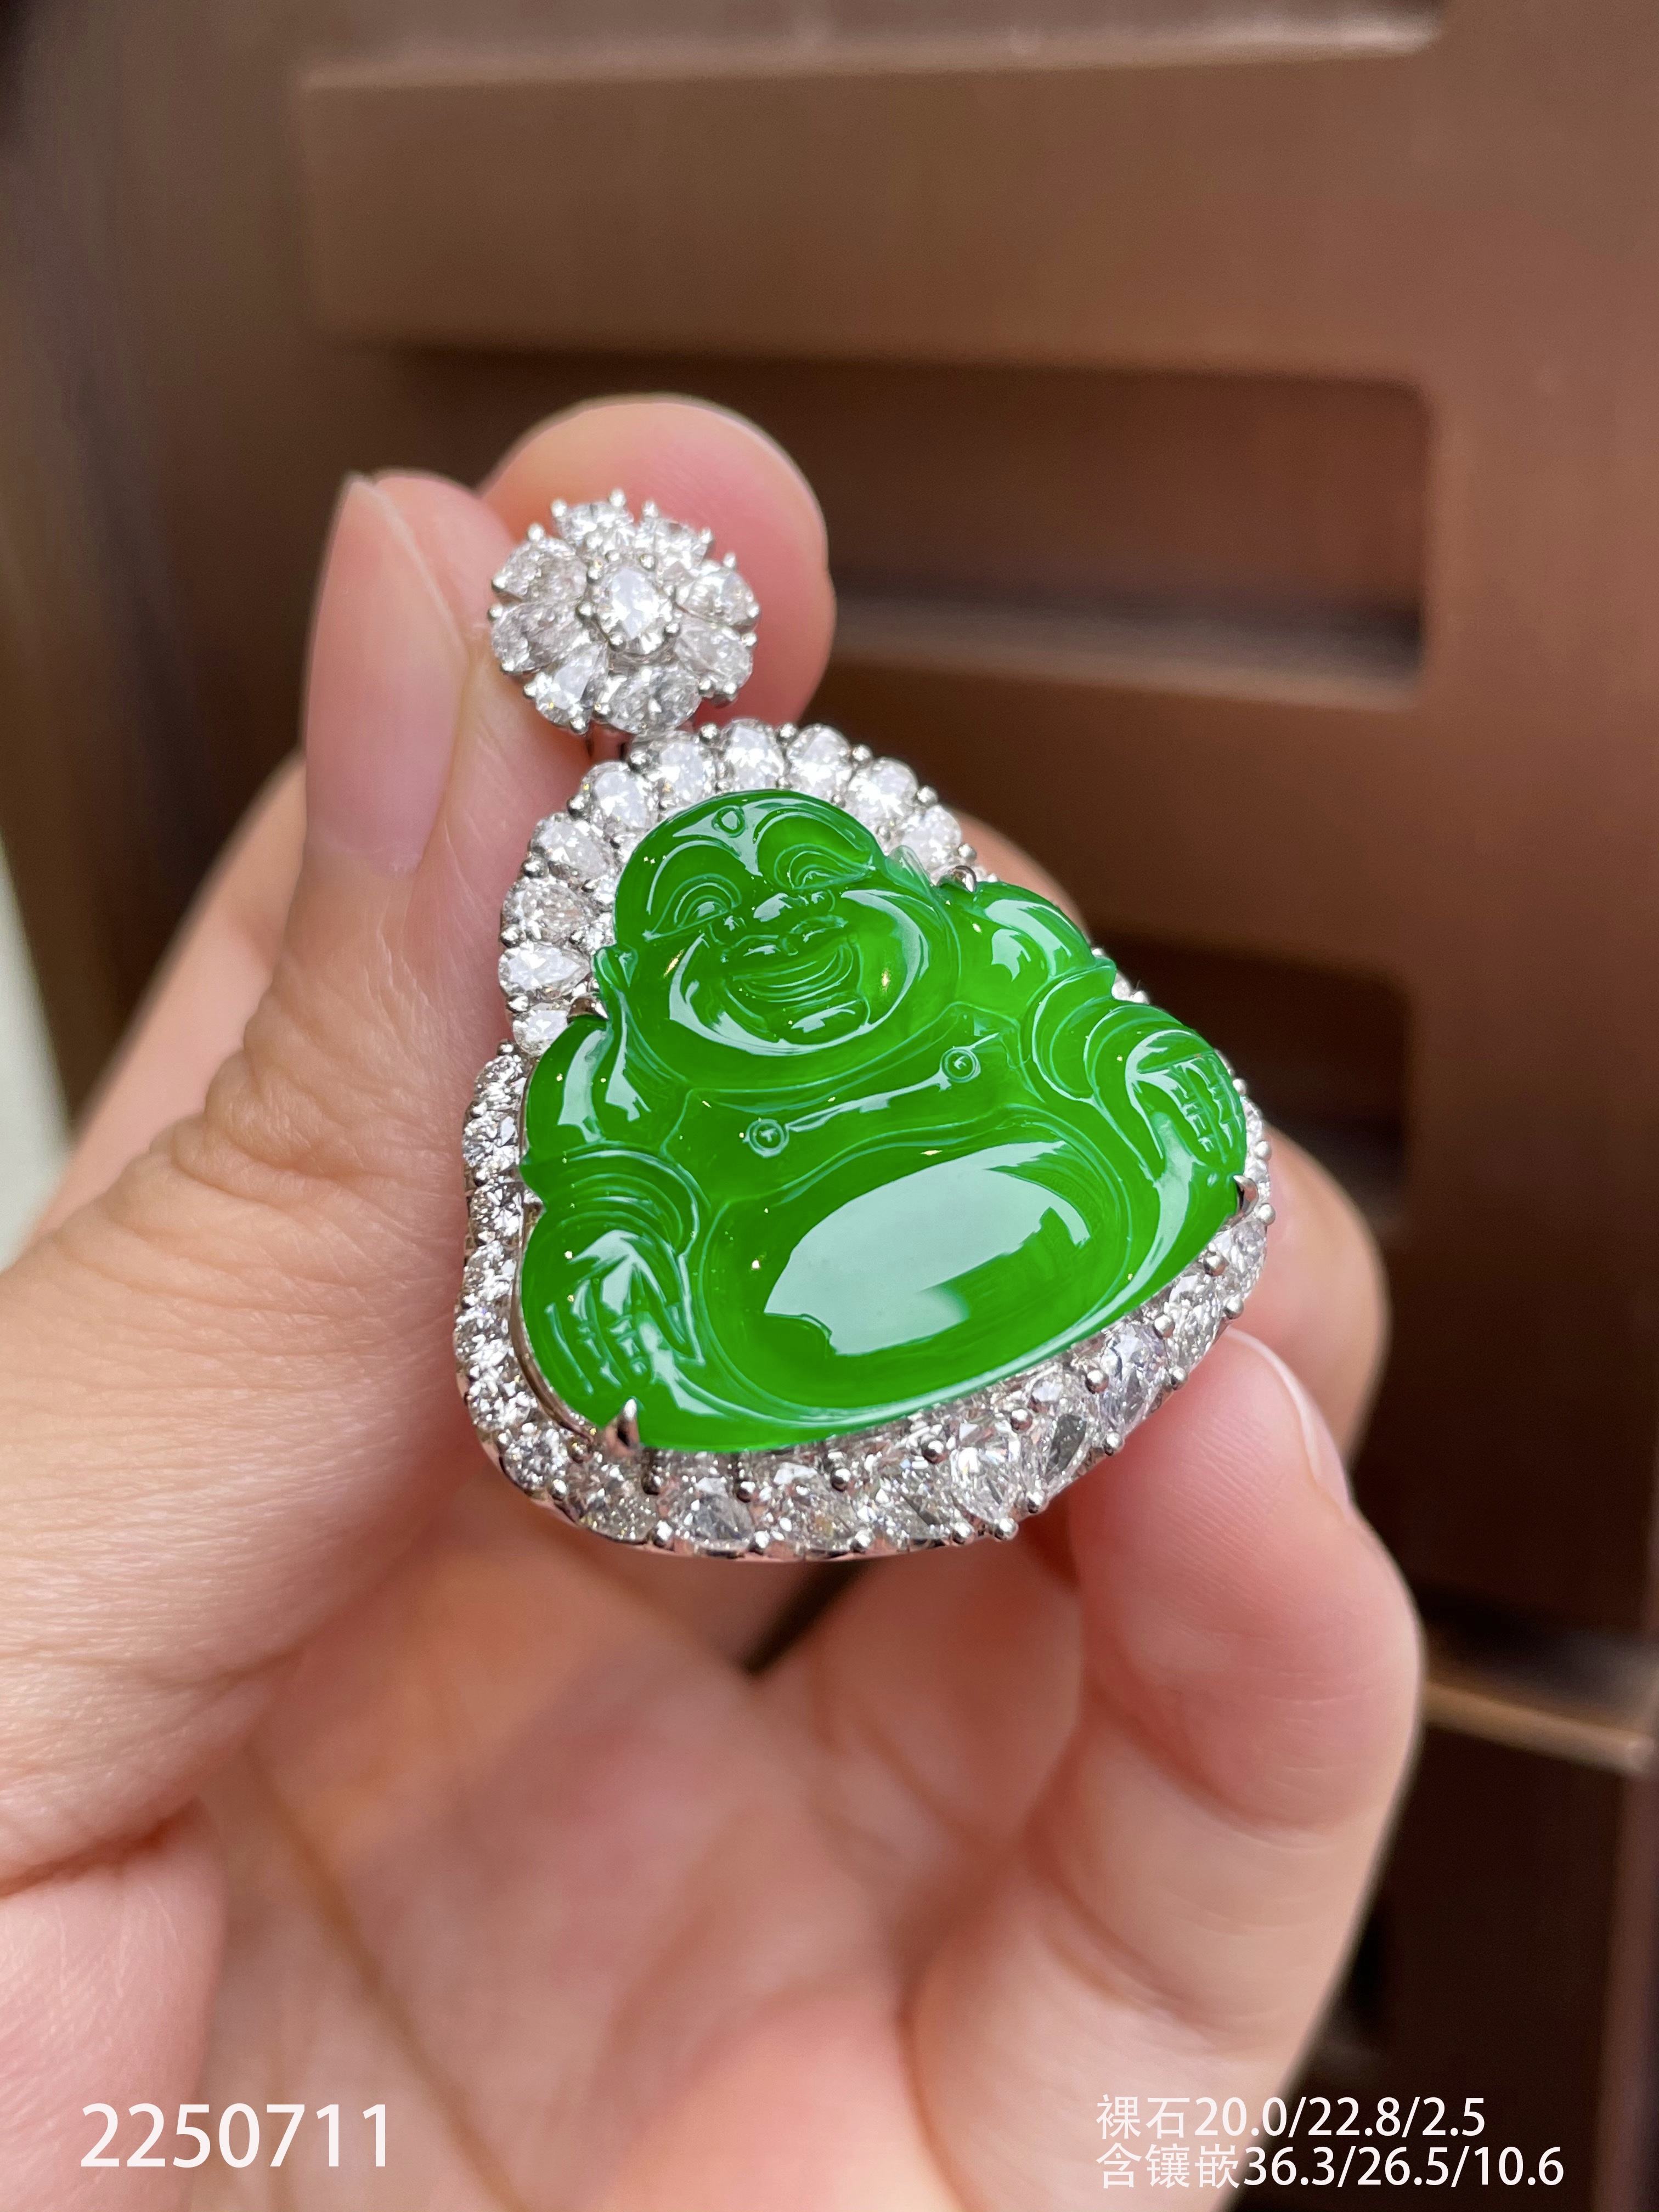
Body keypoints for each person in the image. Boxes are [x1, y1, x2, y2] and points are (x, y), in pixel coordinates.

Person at [0, 398, 1419, 2208]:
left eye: (807, 887)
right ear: (633, 978)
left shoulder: (986, 970)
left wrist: (1121, 1103)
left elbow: (1126, 1065)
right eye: (709, 923)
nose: (774, 932)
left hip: (1031, 1193)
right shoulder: (616, 1092)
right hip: (777, 1300)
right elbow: (594, 1247)